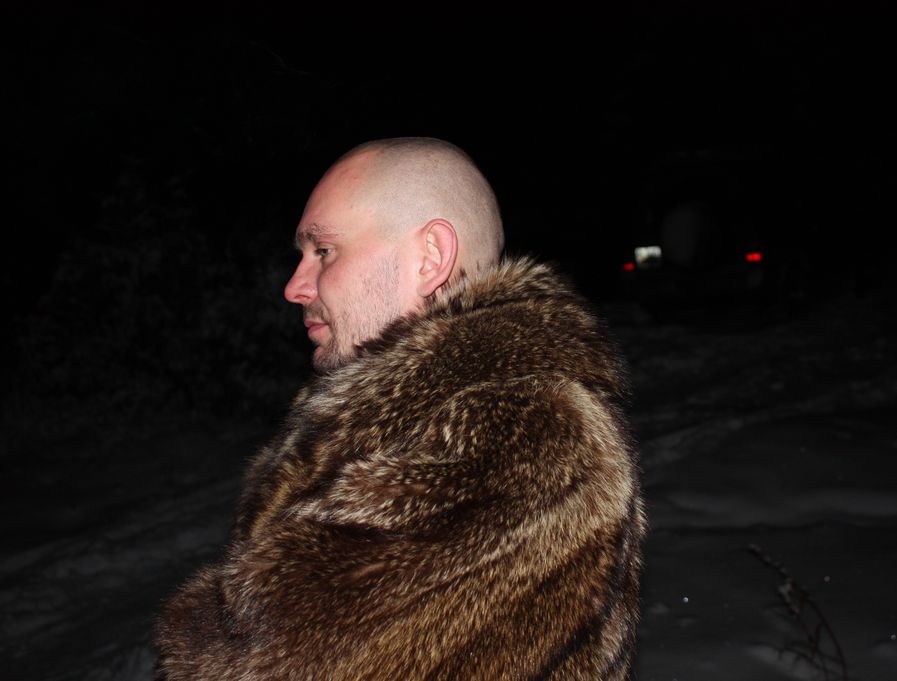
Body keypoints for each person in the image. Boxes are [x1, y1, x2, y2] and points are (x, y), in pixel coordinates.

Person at [154, 137, 646, 680]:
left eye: (324, 251)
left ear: (430, 258)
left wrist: (196, 633)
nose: (295, 286)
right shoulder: (410, 419)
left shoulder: (524, 432)